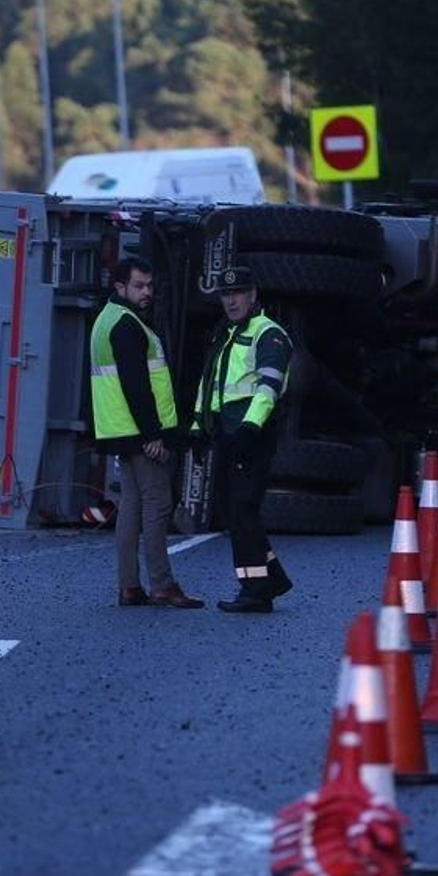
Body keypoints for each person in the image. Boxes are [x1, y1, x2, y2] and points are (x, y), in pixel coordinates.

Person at [89, 258, 203, 609]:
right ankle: (162, 585)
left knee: (133, 506)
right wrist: (153, 434)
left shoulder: (107, 319)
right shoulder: (126, 325)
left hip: (120, 429)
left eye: (150, 286)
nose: (147, 292)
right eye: (139, 286)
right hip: (140, 432)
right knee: (157, 505)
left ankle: (129, 586)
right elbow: (136, 386)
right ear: (120, 286)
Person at [192, 265, 295, 614]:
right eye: (226, 294)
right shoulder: (226, 334)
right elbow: (210, 383)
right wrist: (197, 426)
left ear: (253, 296)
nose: (231, 300)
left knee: (242, 510)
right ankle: (272, 578)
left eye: (238, 293)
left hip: (252, 432)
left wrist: (250, 429)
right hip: (227, 431)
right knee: (234, 509)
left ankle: (255, 590)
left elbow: (269, 387)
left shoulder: (270, 334)